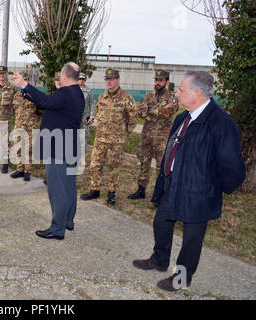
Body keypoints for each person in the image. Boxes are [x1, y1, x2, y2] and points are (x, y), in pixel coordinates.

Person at [132, 71, 246, 292]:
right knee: (161, 223)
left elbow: (233, 167)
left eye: (181, 90)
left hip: (199, 192)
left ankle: (183, 278)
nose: (176, 94)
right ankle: (159, 260)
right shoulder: (182, 118)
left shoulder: (221, 123)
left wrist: (213, 188)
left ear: (196, 93)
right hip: (173, 184)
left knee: (191, 239)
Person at [12, 62, 84, 240]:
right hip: (70, 147)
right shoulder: (78, 93)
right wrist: (27, 91)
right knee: (68, 187)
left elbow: (45, 101)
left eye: (60, 74)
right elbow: (48, 103)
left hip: (58, 149)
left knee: (57, 189)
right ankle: (68, 220)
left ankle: (57, 229)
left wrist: (24, 85)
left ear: (64, 75)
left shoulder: (65, 93)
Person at [80, 68, 137, 205]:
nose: (109, 82)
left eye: (112, 79)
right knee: (94, 165)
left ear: (118, 79)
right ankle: (95, 189)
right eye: (107, 79)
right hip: (100, 139)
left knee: (113, 167)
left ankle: (111, 193)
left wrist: (124, 133)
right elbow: (98, 113)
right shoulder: (102, 97)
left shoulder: (126, 98)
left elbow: (133, 118)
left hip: (116, 141)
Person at [128, 70, 179, 200]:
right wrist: (156, 111)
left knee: (161, 166)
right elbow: (140, 112)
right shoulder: (148, 96)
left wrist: (150, 111)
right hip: (147, 136)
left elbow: (168, 112)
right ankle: (141, 190)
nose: (157, 82)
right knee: (144, 163)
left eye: (161, 80)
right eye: (156, 80)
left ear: (167, 82)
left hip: (162, 138)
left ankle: (159, 194)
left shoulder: (172, 98)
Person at [10, 71, 43, 181]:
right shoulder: (16, 95)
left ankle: (27, 171)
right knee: (18, 149)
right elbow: (15, 110)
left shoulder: (34, 95)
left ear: (28, 81)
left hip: (30, 128)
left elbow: (41, 111)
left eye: (25, 79)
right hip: (19, 126)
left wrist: (34, 122)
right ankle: (20, 169)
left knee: (28, 150)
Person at [78, 72, 95, 153]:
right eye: (79, 79)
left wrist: (92, 117)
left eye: (82, 79)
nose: (81, 80)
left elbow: (92, 104)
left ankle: (82, 159)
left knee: (83, 139)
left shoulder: (88, 90)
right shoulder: (73, 89)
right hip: (74, 119)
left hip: (84, 119)